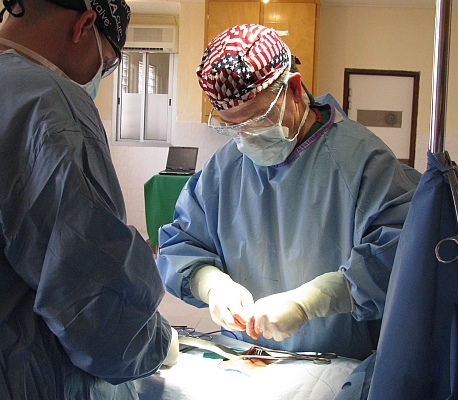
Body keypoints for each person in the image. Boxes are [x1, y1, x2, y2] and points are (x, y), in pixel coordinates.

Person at [157, 24, 421, 361]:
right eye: (233, 126)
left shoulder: (362, 161)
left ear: (294, 90)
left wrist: (311, 301)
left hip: (336, 365)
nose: (246, 137)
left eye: (258, 119)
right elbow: (181, 244)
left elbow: (399, 257)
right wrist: (211, 284)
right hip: (247, 360)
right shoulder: (224, 168)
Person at [0, 0, 178, 398]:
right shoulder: (49, 104)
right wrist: (155, 342)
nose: (99, 77)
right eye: (107, 63)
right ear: (83, 25)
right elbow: (92, 298)